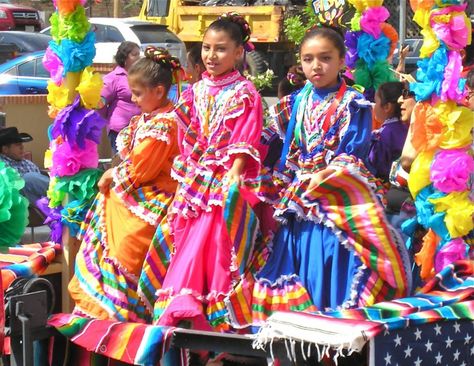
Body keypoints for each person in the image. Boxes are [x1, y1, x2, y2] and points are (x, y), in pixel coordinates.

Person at [227, 25, 411, 328]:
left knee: (329, 266)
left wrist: (322, 174)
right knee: (292, 266)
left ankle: (333, 340)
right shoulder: (293, 103)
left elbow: (352, 153)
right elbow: (266, 140)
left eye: (325, 58)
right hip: (298, 205)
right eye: (308, 58)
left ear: (342, 62)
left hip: (335, 204)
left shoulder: (353, 104)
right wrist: (237, 160)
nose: (316, 66)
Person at [151, 13, 273, 332]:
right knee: (187, 235)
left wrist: (232, 172)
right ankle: (186, 306)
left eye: (220, 49)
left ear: (238, 53)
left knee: (218, 242)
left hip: (227, 179)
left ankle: (216, 318)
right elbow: (186, 136)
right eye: (206, 48)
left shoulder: (245, 92)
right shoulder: (195, 91)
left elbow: (247, 134)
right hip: (197, 178)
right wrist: (191, 168)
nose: (211, 56)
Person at [68, 47, 183, 322]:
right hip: (139, 188)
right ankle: (100, 304)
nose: (132, 98)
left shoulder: (165, 123)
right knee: (107, 209)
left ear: (158, 91)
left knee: (126, 245)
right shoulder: (148, 118)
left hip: (159, 193)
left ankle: (120, 307)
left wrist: (114, 175)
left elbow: (143, 169)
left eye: (138, 93)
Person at [100, 41, 141, 155]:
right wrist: (105, 120)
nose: (139, 57)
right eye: (135, 54)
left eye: (139, 54)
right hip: (120, 130)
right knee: (121, 163)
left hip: (138, 128)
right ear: (125, 58)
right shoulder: (113, 78)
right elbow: (101, 102)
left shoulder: (139, 76)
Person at [367, 82, 408, 183]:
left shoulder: (384, 135)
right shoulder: (407, 126)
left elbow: (375, 165)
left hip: (388, 186)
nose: (373, 106)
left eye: (375, 102)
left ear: (387, 107)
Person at [0, 127, 49, 205]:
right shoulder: (2, 165)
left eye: (22, 144)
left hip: (41, 198)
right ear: (5, 149)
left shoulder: (26, 162)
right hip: (18, 203)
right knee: (29, 178)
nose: (22, 147)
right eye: (17, 144)